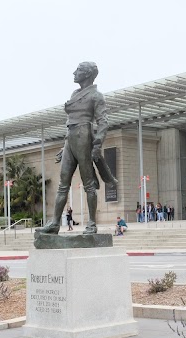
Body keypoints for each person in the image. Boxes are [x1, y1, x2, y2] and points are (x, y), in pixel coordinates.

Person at [36, 61, 116, 235]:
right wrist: (64, 146)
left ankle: (92, 224)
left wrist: (97, 144)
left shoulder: (96, 96)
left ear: (87, 74)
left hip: (84, 136)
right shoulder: (75, 93)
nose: (74, 73)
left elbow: (103, 122)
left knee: (89, 184)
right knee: (63, 184)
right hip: (71, 138)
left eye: (78, 70)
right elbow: (70, 124)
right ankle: (55, 223)